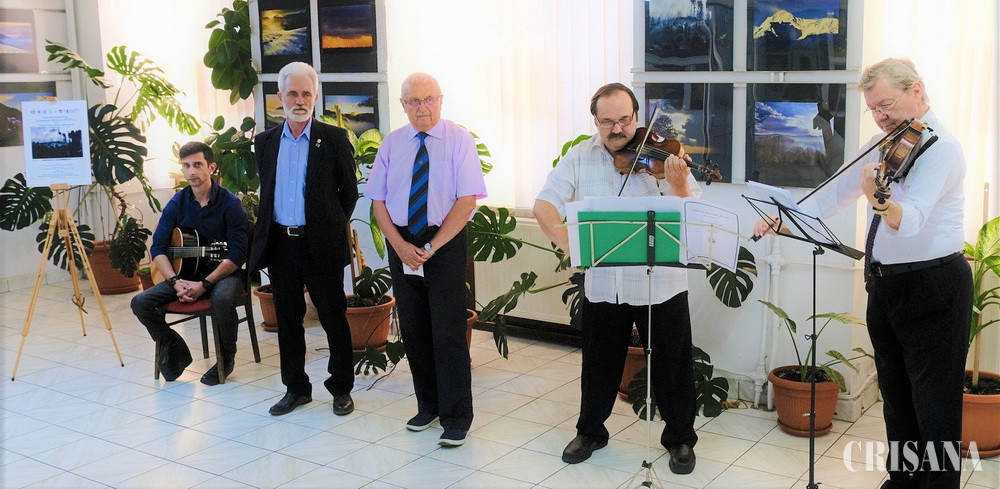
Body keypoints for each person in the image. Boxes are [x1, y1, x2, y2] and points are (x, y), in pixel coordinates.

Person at [754, 58, 971, 489]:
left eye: (885, 105)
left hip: (933, 285)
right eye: (873, 109)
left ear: (917, 90)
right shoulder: (882, 143)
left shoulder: (942, 148)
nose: (880, 116)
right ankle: (903, 480)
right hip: (886, 284)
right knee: (896, 396)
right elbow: (834, 193)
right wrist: (787, 220)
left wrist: (878, 199)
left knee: (936, 404)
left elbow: (910, 220)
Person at [533, 83, 701, 473]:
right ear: (595, 121)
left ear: (637, 117)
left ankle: (680, 439)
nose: (617, 129)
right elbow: (543, 204)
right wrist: (566, 243)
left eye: (624, 120)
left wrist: (677, 183)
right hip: (605, 283)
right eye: (607, 121)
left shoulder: (663, 157)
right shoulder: (579, 157)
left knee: (673, 365)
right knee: (598, 363)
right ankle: (590, 432)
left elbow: (694, 218)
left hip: (662, 283)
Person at [367, 72, 487, 447]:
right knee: (415, 328)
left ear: (440, 100)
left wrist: (432, 247)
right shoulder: (392, 143)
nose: (422, 107)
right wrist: (400, 246)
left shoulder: (459, 140)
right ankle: (428, 406)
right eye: (414, 101)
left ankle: (457, 417)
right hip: (402, 241)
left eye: (429, 99)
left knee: (448, 331)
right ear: (403, 105)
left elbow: (467, 200)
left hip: (444, 241)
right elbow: (378, 201)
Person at [248, 61, 360, 417]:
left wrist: (328, 225)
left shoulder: (335, 139)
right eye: (293, 93)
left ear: (315, 96)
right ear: (280, 96)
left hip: (320, 244)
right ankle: (296, 389)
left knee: (333, 318)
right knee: (287, 320)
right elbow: (268, 193)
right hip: (281, 244)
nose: (300, 100)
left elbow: (349, 193)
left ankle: (341, 389)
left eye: (306, 94)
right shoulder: (265, 142)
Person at [131, 141, 248, 386]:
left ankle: (226, 358)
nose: (191, 172)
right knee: (140, 302)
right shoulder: (177, 202)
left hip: (224, 274)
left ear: (211, 167)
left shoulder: (230, 204)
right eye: (186, 166)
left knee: (222, 299)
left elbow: (237, 255)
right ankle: (173, 344)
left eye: (197, 165)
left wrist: (205, 284)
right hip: (183, 276)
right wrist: (175, 281)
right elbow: (158, 248)